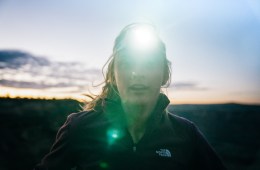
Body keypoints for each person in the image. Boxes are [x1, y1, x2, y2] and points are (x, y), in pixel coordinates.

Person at [35, 23, 226, 170]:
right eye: (127, 63)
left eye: (149, 63)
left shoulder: (186, 135)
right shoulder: (79, 128)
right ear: (113, 75)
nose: (138, 73)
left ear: (164, 74)